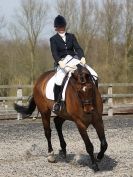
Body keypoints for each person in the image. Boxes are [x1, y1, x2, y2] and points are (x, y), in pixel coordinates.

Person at [50, 15, 98, 112]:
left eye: (63, 27)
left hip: (74, 59)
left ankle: (95, 97)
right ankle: (58, 102)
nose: (61, 29)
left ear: (65, 26)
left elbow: (78, 48)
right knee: (58, 80)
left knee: (94, 74)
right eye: (59, 27)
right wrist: (59, 61)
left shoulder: (71, 36)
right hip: (63, 62)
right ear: (56, 28)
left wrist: (82, 57)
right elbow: (54, 52)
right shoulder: (53, 39)